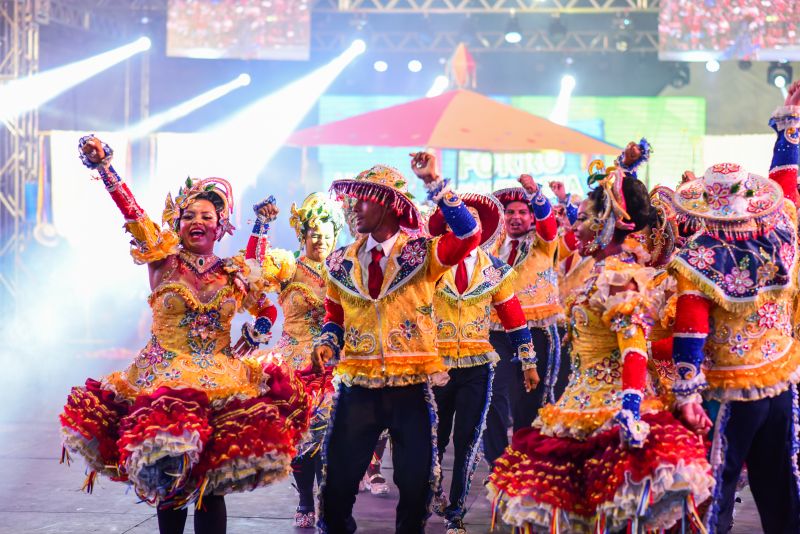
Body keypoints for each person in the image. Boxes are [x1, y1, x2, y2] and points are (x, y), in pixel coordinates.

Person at [59, 136, 309, 534]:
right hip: (164, 383)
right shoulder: (163, 261)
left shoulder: (235, 272)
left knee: (211, 489)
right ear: (177, 223)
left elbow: (266, 305)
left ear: (221, 225)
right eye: (189, 215)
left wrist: (259, 327)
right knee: (170, 481)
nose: (198, 222)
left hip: (220, 384)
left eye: (207, 216)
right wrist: (105, 168)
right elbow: (135, 215)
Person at [488, 163, 714, 533]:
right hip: (577, 404)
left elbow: (634, 348)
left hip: (612, 407)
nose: (575, 226)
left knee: (614, 512)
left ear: (608, 223)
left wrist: (629, 408)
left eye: (585, 219)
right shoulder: (594, 272)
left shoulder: (620, 277)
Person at [312, 153, 480, 533]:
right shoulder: (339, 262)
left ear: (388, 204)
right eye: (352, 199)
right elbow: (334, 317)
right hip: (359, 388)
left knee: (417, 482)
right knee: (337, 481)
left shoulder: (422, 253)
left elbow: (469, 235)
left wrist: (436, 184)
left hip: (411, 387)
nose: (354, 207)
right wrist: (327, 343)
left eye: (364, 198)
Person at [670, 83, 800, 533]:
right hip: (780, 380)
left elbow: (690, 326)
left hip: (727, 389)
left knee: (716, 488)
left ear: (706, 202)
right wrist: (790, 127)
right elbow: (786, 186)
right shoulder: (782, 231)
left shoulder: (699, 254)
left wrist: (686, 393)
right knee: (780, 486)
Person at [427, 192, 536, 534]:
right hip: (436, 366)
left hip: (477, 365)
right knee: (433, 438)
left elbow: (513, 317)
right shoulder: (429, 264)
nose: (464, 224)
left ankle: (456, 511)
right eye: (457, 218)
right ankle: (431, 490)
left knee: (468, 439)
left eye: (471, 219)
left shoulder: (495, 269)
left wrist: (528, 360)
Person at [244, 193, 345, 528]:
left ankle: (329, 498)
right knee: (302, 436)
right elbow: (252, 270)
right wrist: (261, 225)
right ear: (303, 235)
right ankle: (305, 498)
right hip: (293, 365)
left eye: (328, 233)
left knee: (336, 438)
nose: (321, 239)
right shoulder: (287, 267)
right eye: (314, 232)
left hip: (335, 363)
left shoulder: (344, 269)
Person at [483, 175, 564, 467]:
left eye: (522, 212)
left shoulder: (544, 242)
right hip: (497, 330)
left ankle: (525, 461)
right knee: (491, 394)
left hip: (536, 331)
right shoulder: (493, 247)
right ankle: (497, 463)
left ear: (531, 216)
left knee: (529, 399)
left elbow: (549, 224)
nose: (515, 217)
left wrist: (535, 193)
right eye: (510, 212)